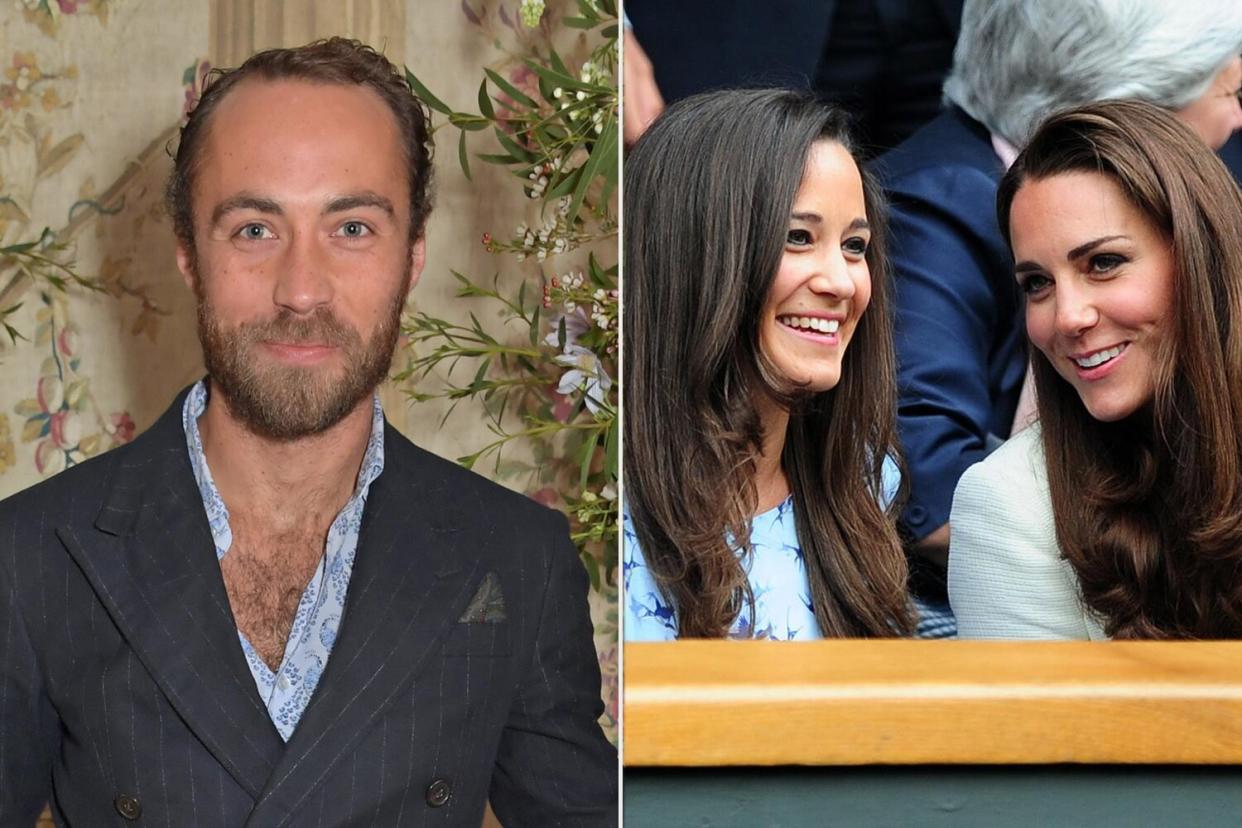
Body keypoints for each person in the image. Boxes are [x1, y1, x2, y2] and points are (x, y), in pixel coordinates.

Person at [0, 38, 617, 824]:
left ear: (412, 256)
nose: (300, 289)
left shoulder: (515, 562)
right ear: (189, 254)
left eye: (352, 228)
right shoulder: (31, 558)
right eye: (255, 229)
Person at [873, 0, 1242, 608]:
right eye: (1225, 89)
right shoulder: (943, 197)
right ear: (1128, 112)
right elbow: (931, 497)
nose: (1233, 120)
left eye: (1103, 264)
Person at [623, 88, 913, 641]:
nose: (840, 281)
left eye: (855, 246)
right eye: (798, 238)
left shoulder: (863, 477)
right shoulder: (610, 506)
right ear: (700, 255)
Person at [949, 99, 1242, 639]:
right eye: (1037, 283)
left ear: (1200, 256)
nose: (1068, 317)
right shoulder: (1011, 503)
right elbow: (1040, 727)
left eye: (1103, 264)